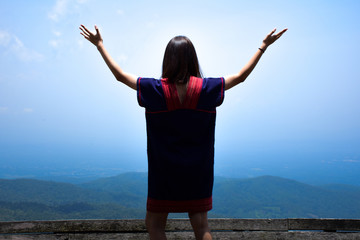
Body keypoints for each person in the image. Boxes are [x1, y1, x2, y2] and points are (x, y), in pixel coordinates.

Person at [80, 24, 287, 240]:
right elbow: (241, 76)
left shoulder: (155, 90)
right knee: (201, 226)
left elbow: (120, 76)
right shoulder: (206, 89)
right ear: (192, 59)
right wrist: (263, 47)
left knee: (154, 224)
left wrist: (100, 45)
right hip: (198, 170)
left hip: (164, 171)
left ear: (168, 59)